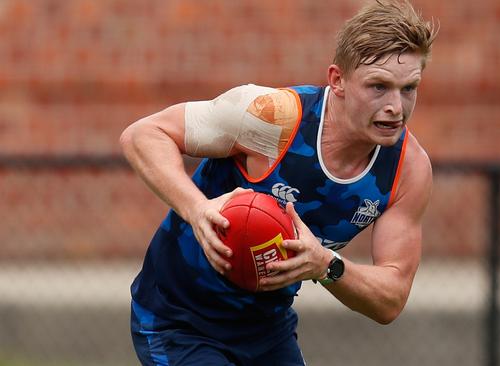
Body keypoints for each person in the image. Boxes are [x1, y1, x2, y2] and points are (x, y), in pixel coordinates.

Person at [120, 0, 436, 364]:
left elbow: (391, 298)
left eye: (408, 88)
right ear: (338, 81)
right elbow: (144, 134)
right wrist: (197, 209)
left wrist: (326, 265)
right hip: (177, 318)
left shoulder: (407, 170)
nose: (396, 106)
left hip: (266, 330)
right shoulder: (273, 118)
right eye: (378, 87)